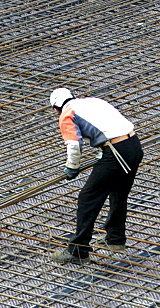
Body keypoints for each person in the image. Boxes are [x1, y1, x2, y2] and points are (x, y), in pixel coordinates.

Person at [49, 88, 143, 265]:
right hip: (133, 144)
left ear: (56, 109)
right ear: (73, 96)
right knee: (118, 192)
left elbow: (73, 145)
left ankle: (78, 251)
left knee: (87, 198)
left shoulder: (66, 114)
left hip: (117, 152)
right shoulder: (93, 101)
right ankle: (115, 238)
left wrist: (72, 167)